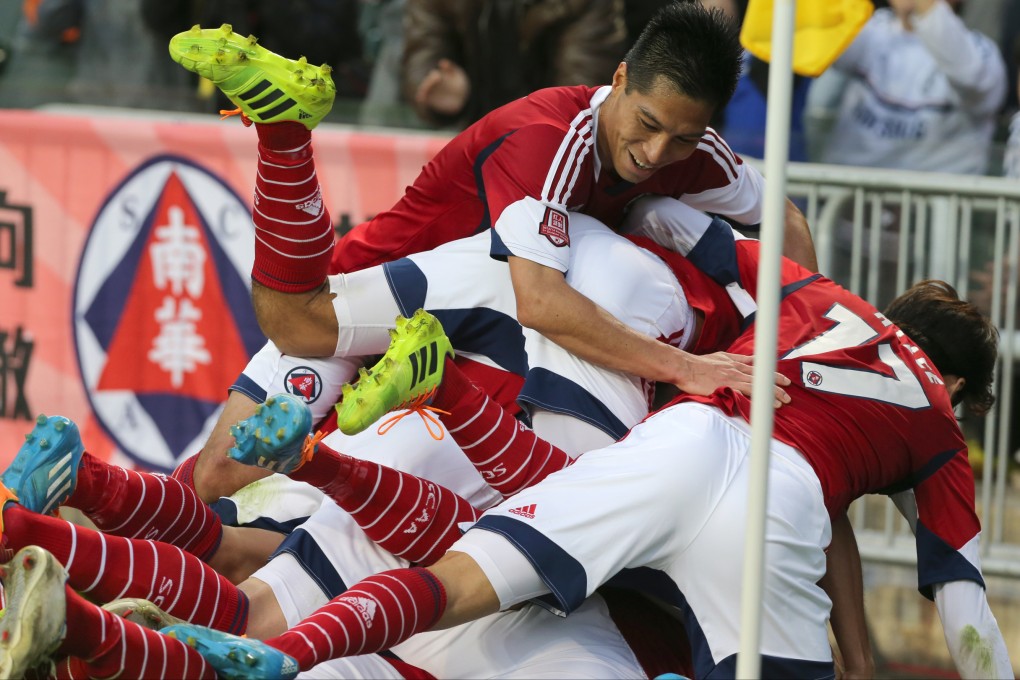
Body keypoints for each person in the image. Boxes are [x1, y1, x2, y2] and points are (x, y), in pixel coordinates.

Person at [148, 197, 1010, 679]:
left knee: (449, 576)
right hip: (772, 502)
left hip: (675, 434)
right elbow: (968, 615)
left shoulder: (813, 294)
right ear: (960, 385)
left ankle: (271, 646)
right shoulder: (936, 424)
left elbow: (680, 222)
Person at [168, 2, 816, 500]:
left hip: (454, 334)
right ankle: (285, 137)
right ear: (619, 79)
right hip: (377, 295)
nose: (654, 154)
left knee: (301, 506)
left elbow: (784, 215)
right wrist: (686, 367)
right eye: (646, 125)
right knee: (217, 477)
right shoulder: (548, 137)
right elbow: (540, 301)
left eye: (680, 138)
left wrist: (800, 343)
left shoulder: (697, 154)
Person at [807, 0, 1006, 175]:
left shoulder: (980, 51)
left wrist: (927, 9)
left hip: (935, 210)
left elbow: (971, 78)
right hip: (846, 203)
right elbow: (813, 34)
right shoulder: (870, 27)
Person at [401, 0, 628, 128]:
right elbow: (423, 50)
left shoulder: (587, 6)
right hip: (463, 132)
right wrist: (440, 89)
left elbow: (580, 98)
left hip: (550, 144)